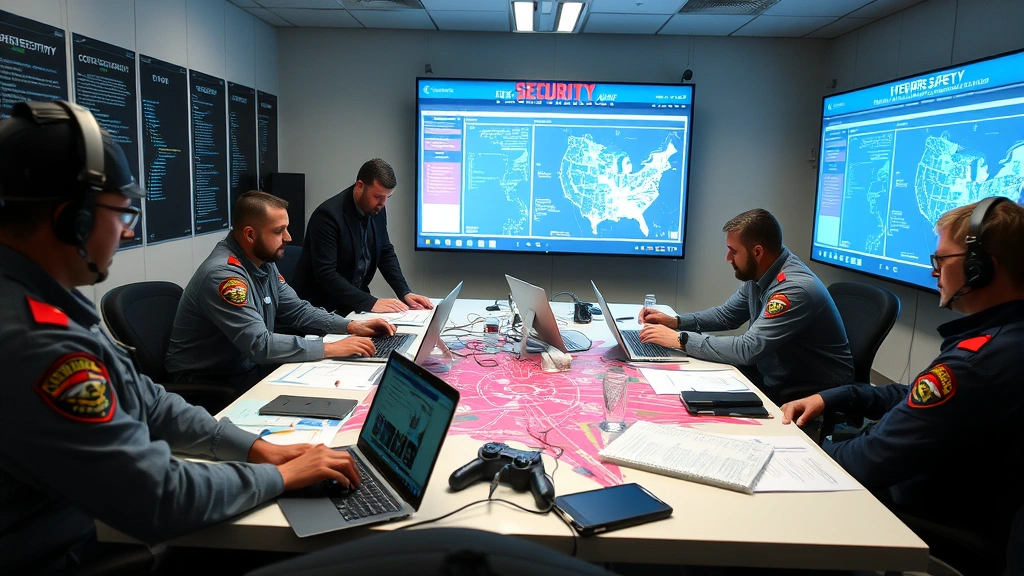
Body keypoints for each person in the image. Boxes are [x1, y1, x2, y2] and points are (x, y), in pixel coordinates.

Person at [0, 101, 361, 573]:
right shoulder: (36, 343)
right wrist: (276, 476)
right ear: (76, 220)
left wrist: (254, 447)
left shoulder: (46, 304)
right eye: (122, 213)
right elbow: (156, 497)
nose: (128, 234)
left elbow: (146, 399)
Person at [781, 198, 1024, 573]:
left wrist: (796, 454)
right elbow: (913, 394)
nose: (933, 273)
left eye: (942, 261)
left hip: (923, 509)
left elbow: (869, 460)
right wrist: (836, 396)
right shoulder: (1002, 337)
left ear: (979, 269)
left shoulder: (975, 362)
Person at [166, 190, 395, 395]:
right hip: (208, 383)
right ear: (250, 234)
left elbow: (298, 311)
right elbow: (260, 344)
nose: (288, 237)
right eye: (279, 231)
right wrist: (329, 348)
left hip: (242, 367)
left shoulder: (263, 262)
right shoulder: (225, 277)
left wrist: (350, 326)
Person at [639, 209, 854, 400]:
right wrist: (676, 322)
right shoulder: (761, 273)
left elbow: (749, 348)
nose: (728, 258)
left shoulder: (793, 289)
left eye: (734, 251)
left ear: (757, 252)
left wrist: (681, 339)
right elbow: (727, 316)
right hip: (773, 373)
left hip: (809, 388)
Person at [290, 158, 433, 315]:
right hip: (322, 307)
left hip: (353, 305)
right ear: (359, 186)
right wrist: (370, 302)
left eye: (387, 197)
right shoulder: (328, 216)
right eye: (378, 196)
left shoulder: (376, 209)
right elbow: (326, 273)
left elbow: (385, 251)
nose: (383, 203)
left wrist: (404, 292)